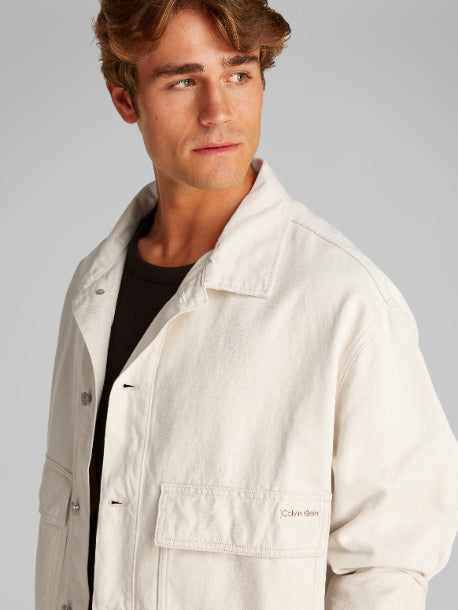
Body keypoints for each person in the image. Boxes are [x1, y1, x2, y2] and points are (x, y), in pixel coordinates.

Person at [35, 1, 458, 609]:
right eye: (184, 81)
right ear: (126, 100)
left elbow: (384, 572)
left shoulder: (348, 304)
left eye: (238, 74)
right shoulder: (91, 291)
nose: (218, 111)